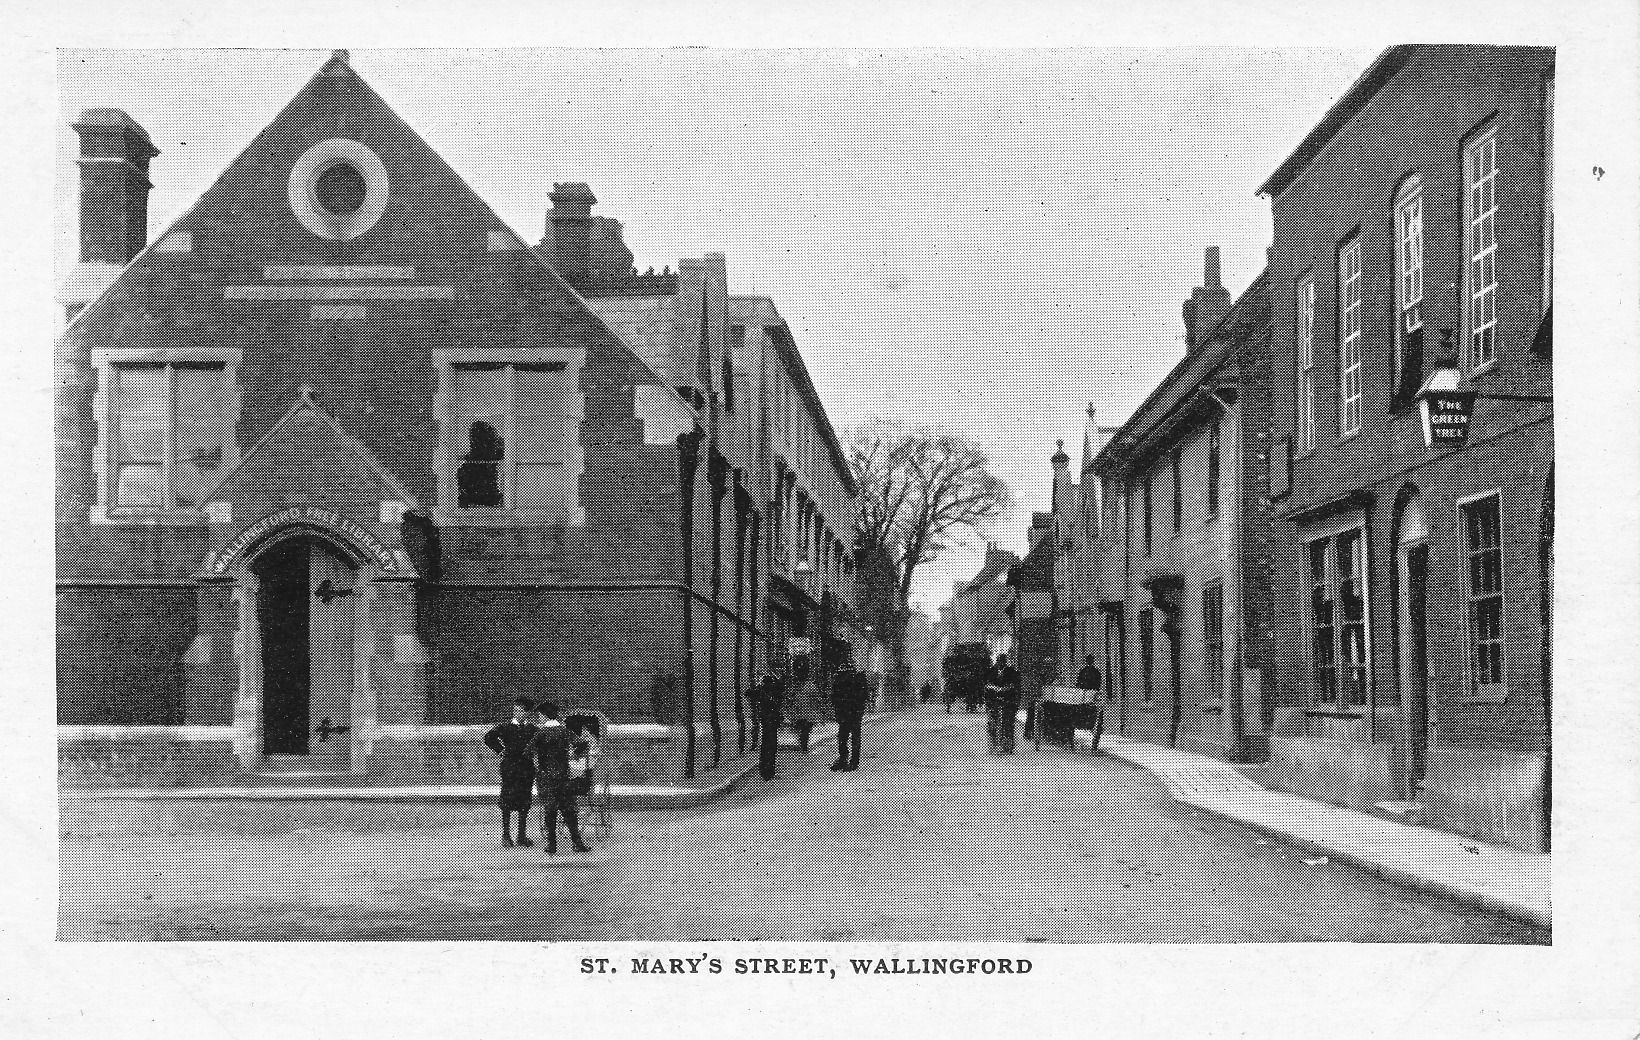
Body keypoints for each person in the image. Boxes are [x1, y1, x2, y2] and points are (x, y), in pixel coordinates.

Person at [527, 701, 590, 855]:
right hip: (563, 777)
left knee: (550, 812)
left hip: (546, 779)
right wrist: (572, 754)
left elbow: (527, 753)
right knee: (569, 811)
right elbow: (582, 744)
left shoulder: (540, 733)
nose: (538, 719)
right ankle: (577, 843)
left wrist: (538, 767)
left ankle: (552, 845)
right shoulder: (565, 731)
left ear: (544, 715)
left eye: (539, 716)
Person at [483, 696, 538, 847]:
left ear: (527, 713)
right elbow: (488, 737)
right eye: (515, 710)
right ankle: (506, 836)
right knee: (507, 801)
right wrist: (500, 750)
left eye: (520, 711)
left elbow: (542, 744)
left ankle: (521, 836)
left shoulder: (533, 729)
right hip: (510, 768)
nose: (517, 713)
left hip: (526, 769)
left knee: (525, 801)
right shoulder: (505, 727)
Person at [748, 672, 785, 781]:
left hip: (767, 722)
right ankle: (768, 771)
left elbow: (750, 693)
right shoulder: (770, 693)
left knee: (767, 747)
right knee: (771, 747)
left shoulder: (763, 692)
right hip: (770, 723)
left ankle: (766, 771)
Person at [984, 653, 1021, 754]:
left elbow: (1016, 686)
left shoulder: (1012, 672)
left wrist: (1007, 689)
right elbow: (987, 685)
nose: (1001, 663)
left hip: (1008, 701)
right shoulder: (991, 672)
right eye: (999, 661)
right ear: (997, 661)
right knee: (993, 723)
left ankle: (1007, 746)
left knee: (1008, 723)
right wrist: (993, 689)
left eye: (1003, 662)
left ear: (1005, 662)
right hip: (993, 701)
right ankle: (994, 745)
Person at [830, 667, 867, 772]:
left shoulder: (858, 677)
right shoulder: (839, 677)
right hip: (845, 712)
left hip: (854, 712)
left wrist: (857, 708)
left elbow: (863, 695)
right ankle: (843, 758)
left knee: (854, 737)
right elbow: (834, 695)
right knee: (842, 737)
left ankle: (854, 762)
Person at [1075, 654, 1105, 752]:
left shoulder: (1083, 671)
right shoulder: (1096, 672)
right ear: (1093, 661)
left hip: (1084, 697)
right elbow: (1098, 684)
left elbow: (1078, 684)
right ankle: (1094, 743)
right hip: (1092, 696)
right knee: (1098, 711)